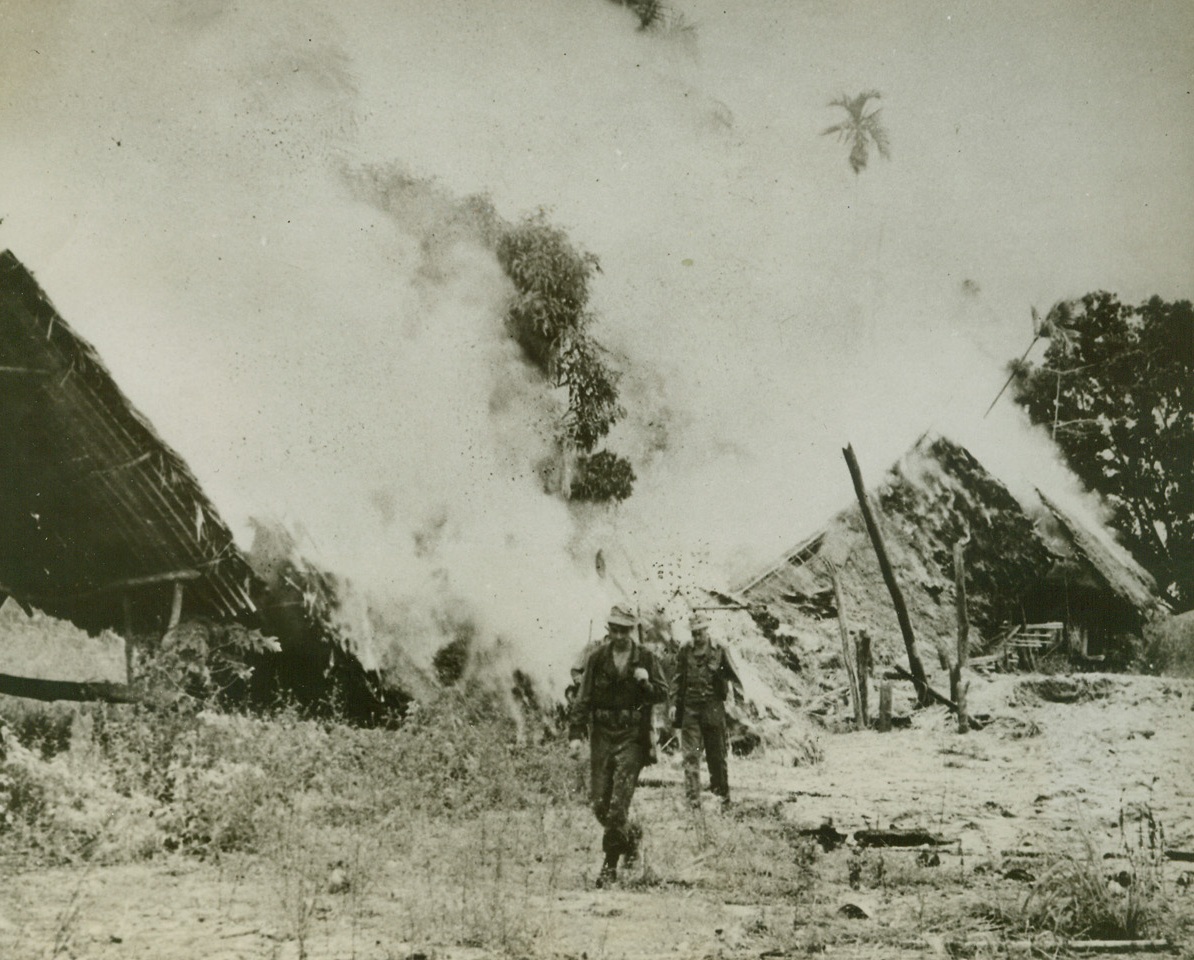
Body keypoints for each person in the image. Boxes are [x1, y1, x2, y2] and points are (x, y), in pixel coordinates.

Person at [569, 603, 668, 887]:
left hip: (632, 737)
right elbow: (583, 697)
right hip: (601, 735)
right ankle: (632, 835)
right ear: (609, 630)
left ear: (633, 630)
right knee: (599, 803)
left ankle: (609, 866)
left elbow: (662, 693)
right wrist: (576, 734)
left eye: (625, 630)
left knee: (617, 804)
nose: (619, 635)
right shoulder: (597, 658)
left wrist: (647, 683)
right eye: (614, 629)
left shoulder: (646, 658)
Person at [672, 611, 743, 810]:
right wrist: (672, 704)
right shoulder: (685, 650)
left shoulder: (720, 649)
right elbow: (677, 678)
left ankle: (722, 799)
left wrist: (737, 703)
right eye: (693, 633)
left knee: (716, 755)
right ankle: (693, 801)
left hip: (713, 708)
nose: (697, 637)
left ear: (706, 630)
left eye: (700, 632)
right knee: (690, 755)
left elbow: (734, 677)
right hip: (690, 709)